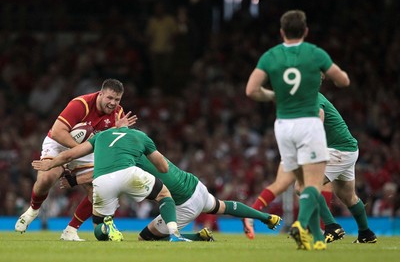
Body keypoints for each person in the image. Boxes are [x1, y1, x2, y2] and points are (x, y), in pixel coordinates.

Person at [245, 10, 350, 250]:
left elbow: (251, 90)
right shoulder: (315, 54)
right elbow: (343, 80)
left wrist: (273, 95)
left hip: (283, 126)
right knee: (312, 184)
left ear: (281, 32)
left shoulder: (270, 56)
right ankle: (301, 225)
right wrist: (335, 75)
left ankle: (316, 239)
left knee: (292, 183)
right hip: (308, 124)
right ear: (306, 31)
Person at [243, 92, 377, 244]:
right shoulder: (303, 99)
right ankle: (366, 233)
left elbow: (317, 121)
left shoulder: (310, 98)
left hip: (338, 151)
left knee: (303, 186)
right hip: (346, 148)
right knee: (348, 196)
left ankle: (331, 226)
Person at [15, 78, 136, 241]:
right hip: (60, 143)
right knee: (47, 178)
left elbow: (114, 147)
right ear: (100, 94)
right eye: (109, 98)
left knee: (100, 189)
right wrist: (78, 150)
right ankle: (33, 210)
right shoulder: (81, 104)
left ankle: (70, 230)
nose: (113, 103)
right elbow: (58, 132)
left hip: (86, 149)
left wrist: (120, 132)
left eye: (117, 99)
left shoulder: (118, 115)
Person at [32, 126, 191, 242]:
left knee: (97, 226)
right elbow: (163, 167)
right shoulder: (139, 136)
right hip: (129, 174)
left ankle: (107, 229)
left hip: (102, 182)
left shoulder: (100, 137)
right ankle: (174, 234)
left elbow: (70, 155)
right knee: (164, 195)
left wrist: (50, 164)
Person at [135, 154, 282, 241]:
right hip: (195, 185)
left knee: (146, 237)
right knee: (222, 206)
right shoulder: (142, 142)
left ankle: (197, 237)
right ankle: (267, 217)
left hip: (185, 203)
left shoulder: (126, 160)